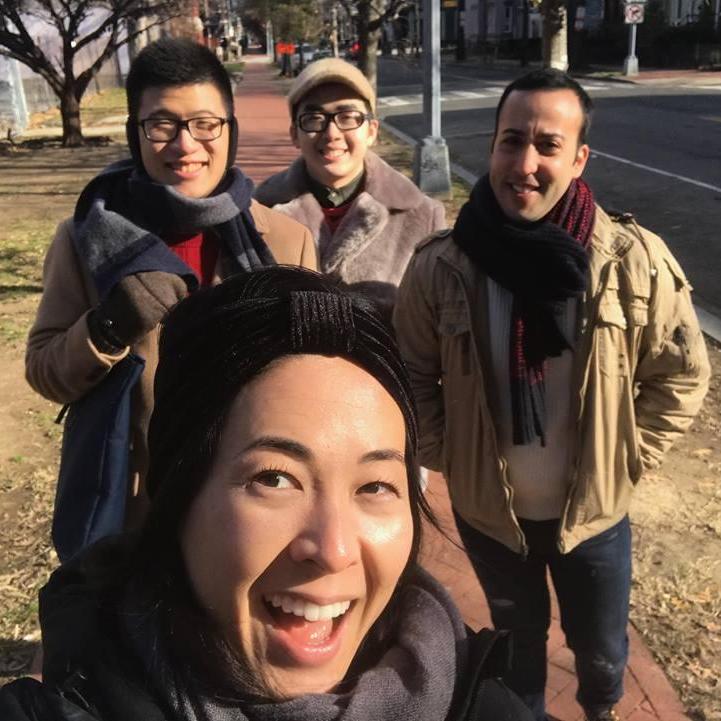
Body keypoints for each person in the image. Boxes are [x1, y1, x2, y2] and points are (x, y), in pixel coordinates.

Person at [1, 267, 534, 721]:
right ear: (179, 495)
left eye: (375, 485)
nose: (333, 550)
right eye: (275, 479)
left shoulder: (481, 701)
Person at [393, 69, 710, 721]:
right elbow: (410, 375)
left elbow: (679, 376)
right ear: (493, 146)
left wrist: (628, 457)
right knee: (517, 656)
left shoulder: (632, 261)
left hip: (593, 515)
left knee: (601, 651)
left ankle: (600, 711)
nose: (525, 164)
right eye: (512, 141)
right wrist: (450, 457)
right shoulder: (440, 266)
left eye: (547, 145)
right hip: (491, 517)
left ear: (579, 158)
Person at [25, 38, 317, 540]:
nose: (185, 145)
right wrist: (107, 328)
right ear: (134, 133)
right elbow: (44, 371)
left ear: (230, 130)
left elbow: (313, 382)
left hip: (256, 513)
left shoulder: (287, 241)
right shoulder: (84, 239)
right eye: (162, 125)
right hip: (140, 514)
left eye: (205, 124)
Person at [254, 58, 446, 312]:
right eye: (314, 118)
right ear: (294, 134)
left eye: (347, 117)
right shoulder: (260, 213)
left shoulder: (422, 217)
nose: (332, 134)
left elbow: (434, 324)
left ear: (371, 131)